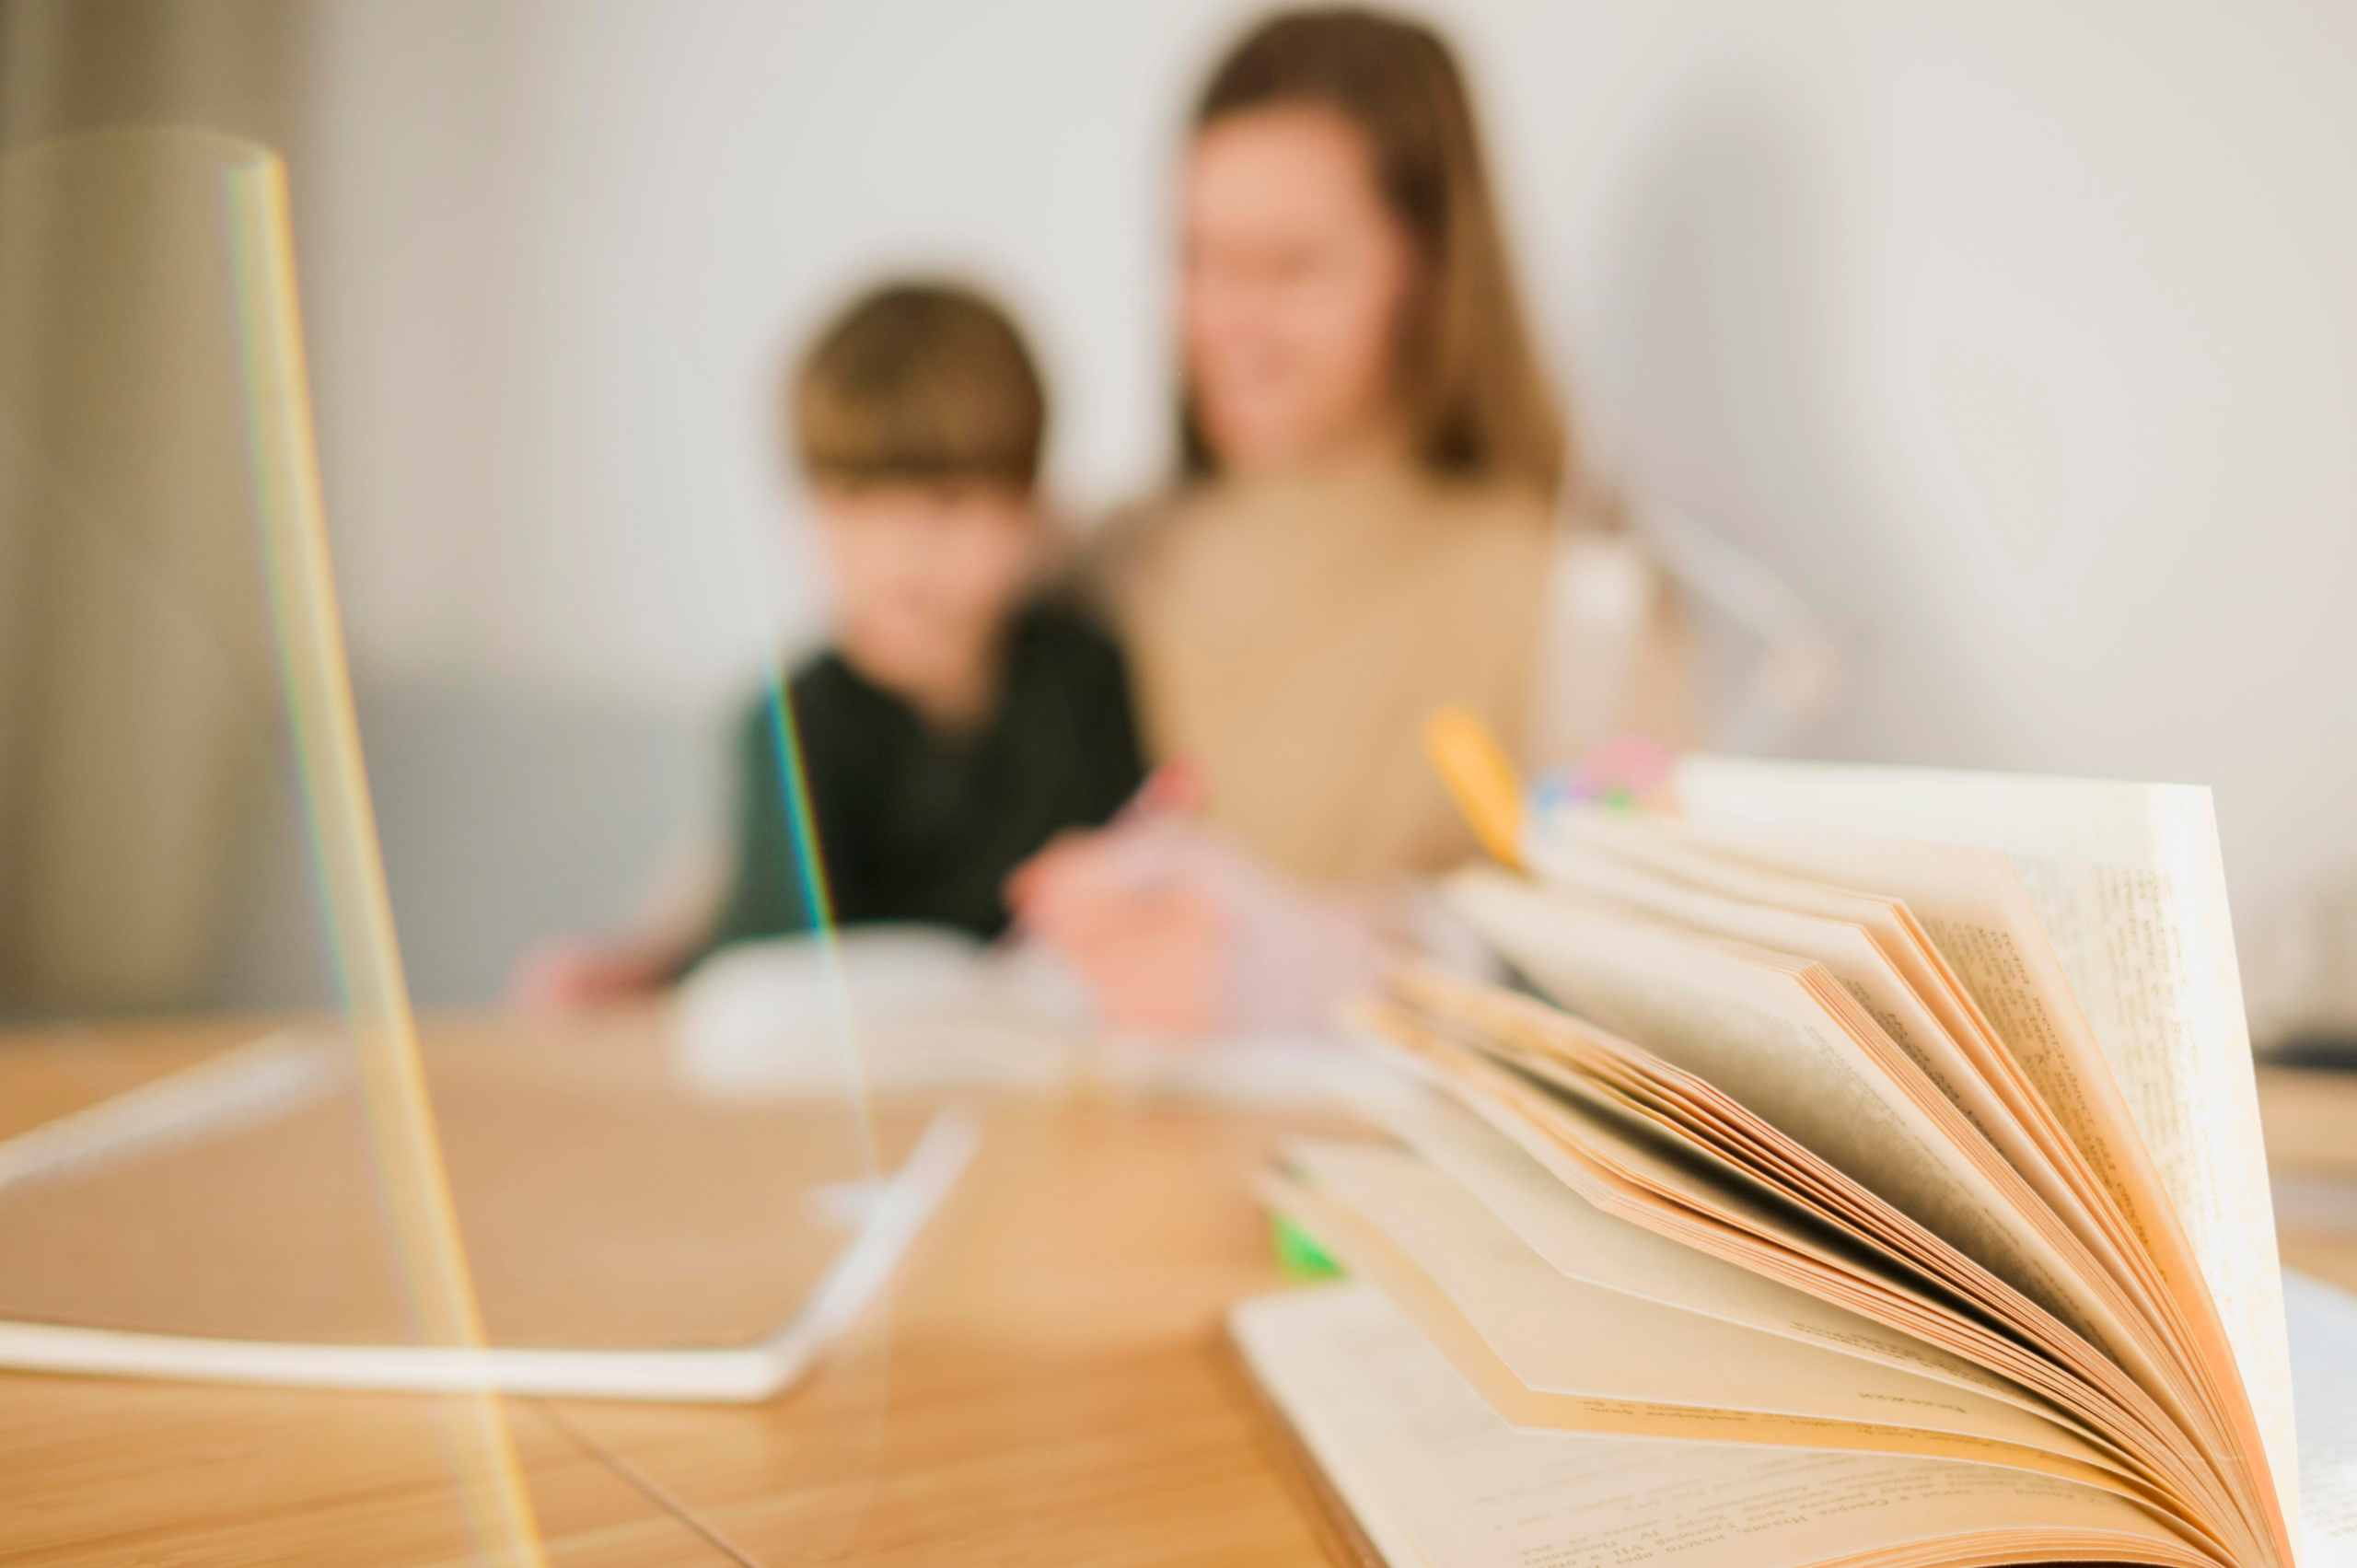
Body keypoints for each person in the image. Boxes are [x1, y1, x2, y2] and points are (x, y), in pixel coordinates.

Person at [1008, 6, 1689, 1032]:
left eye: (1289, 266)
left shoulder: (1574, 593)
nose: (1229, 320)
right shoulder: (1107, 559)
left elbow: (1651, 964)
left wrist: (1339, 964)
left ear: (1424, 272)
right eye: (1199, 257)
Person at [511, 283, 1146, 1008]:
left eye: (949, 501)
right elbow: (773, 984)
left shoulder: (1085, 677)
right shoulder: (790, 725)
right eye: (855, 500)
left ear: (1030, 503)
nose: (903, 548)